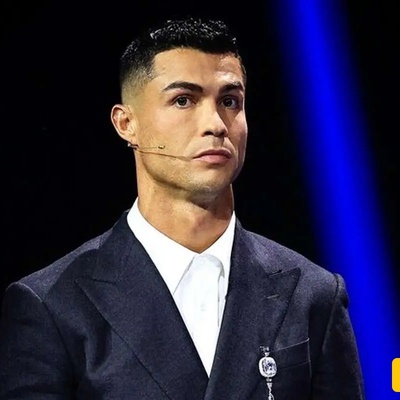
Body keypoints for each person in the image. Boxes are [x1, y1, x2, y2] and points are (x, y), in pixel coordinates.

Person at [0, 16, 364, 399]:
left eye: (229, 101)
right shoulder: (53, 305)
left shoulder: (313, 294)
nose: (215, 124)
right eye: (183, 100)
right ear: (127, 123)